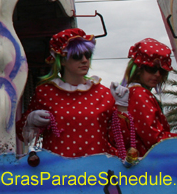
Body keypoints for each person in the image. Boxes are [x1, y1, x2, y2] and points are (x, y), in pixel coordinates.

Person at [17, 28, 119, 158]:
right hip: (59, 172)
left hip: (98, 171)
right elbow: (21, 134)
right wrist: (30, 121)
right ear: (62, 60)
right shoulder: (45, 93)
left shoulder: (103, 93)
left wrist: (123, 108)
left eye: (87, 54)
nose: (84, 60)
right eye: (77, 55)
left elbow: (119, 138)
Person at [114, 38, 177, 157]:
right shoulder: (139, 94)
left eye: (162, 70)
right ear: (138, 69)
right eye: (151, 69)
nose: (158, 74)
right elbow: (154, 138)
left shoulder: (132, 92)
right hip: (148, 164)